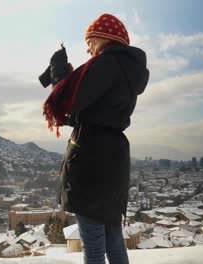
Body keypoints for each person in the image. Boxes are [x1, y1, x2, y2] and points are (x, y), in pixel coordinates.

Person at [39, 13, 149, 264]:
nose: (87, 47)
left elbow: (71, 101)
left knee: (94, 248)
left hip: (91, 161)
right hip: (113, 158)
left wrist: (59, 77)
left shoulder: (106, 64)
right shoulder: (126, 70)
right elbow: (95, 113)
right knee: (113, 242)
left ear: (104, 37)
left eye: (89, 40)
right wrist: (70, 114)